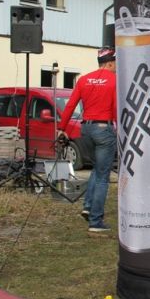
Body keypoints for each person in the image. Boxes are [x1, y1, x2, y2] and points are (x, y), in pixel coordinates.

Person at [58, 48, 117, 232]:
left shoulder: (83, 79)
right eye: (115, 63)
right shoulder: (114, 80)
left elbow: (70, 105)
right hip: (104, 128)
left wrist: (62, 128)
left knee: (97, 170)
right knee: (103, 176)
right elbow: (116, 107)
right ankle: (96, 221)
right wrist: (120, 129)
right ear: (110, 63)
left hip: (86, 128)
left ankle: (88, 207)